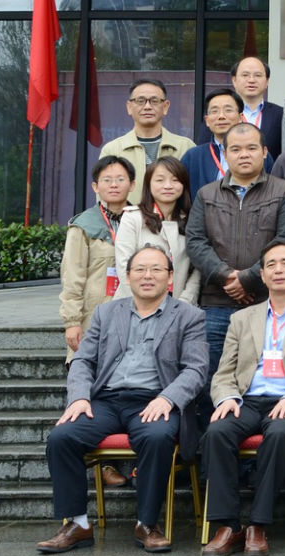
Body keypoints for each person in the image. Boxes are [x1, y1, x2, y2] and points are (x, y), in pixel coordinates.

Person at [37, 245, 208, 555]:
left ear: (170, 277)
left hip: (154, 401)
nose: (147, 275)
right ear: (127, 277)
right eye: (140, 269)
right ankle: (77, 524)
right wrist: (79, 398)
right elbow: (83, 360)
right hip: (106, 401)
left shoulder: (189, 316)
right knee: (62, 437)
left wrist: (168, 398)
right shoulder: (106, 313)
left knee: (156, 437)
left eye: (156, 269)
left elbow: (196, 369)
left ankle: (147, 524)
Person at [201, 241, 285, 556]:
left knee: (278, 434)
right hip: (247, 400)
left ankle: (258, 525)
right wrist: (226, 397)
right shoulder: (242, 318)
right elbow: (224, 372)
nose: (278, 270)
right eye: (271, 264)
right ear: (261, 275)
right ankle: (228, 525)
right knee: (217, 431)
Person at [186, 123, 285, 373]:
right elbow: (195, 241)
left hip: (266, 301)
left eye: (251, 148)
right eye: (236, 149)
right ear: (225, 154)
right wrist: (227, 276)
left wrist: (248, 279)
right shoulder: (206, 194)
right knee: (212, 378)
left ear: (265, 152)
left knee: (262, 378)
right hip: (216, 302)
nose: (244, 155)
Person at [60, 156, 135, 356]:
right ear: (95, 187)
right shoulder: (83, 225)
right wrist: (72, 321)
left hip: (136, 313)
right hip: (94, 315)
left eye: (120, 179)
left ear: (132, 185)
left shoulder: (143, 221)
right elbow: (72, 277)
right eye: (107, 180)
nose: (114, 185)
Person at [113, 157, 199, 305]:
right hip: (134, 305)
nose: (168, 186)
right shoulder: (133, 217)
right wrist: (146, 306)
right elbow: (123, 266)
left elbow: (197, 269)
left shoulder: (191, 220)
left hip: (178, 307)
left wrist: (184, 303)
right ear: (149, 184)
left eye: (175, 180)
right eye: (160, 180)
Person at [100, 79, 195, 202]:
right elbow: (104, 198)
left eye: (154, 101)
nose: (147, 107)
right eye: (140, 101)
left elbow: (194, 194)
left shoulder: (186, 147)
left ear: (165, 106)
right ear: (129, 107)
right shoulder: (113, 150)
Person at [182, 88, 269, 188]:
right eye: (214, 111)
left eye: (228, 110)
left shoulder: (258, 153)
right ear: (207, 120)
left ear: (241, 117)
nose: (221, 116)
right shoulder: (193, 157)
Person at [232, 56, 283, 161]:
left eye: (258, 75)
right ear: (234, 80)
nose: (251, 80)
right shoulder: (221, 114)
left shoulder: (281, 114)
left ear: (267, 81)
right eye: (245, 75)